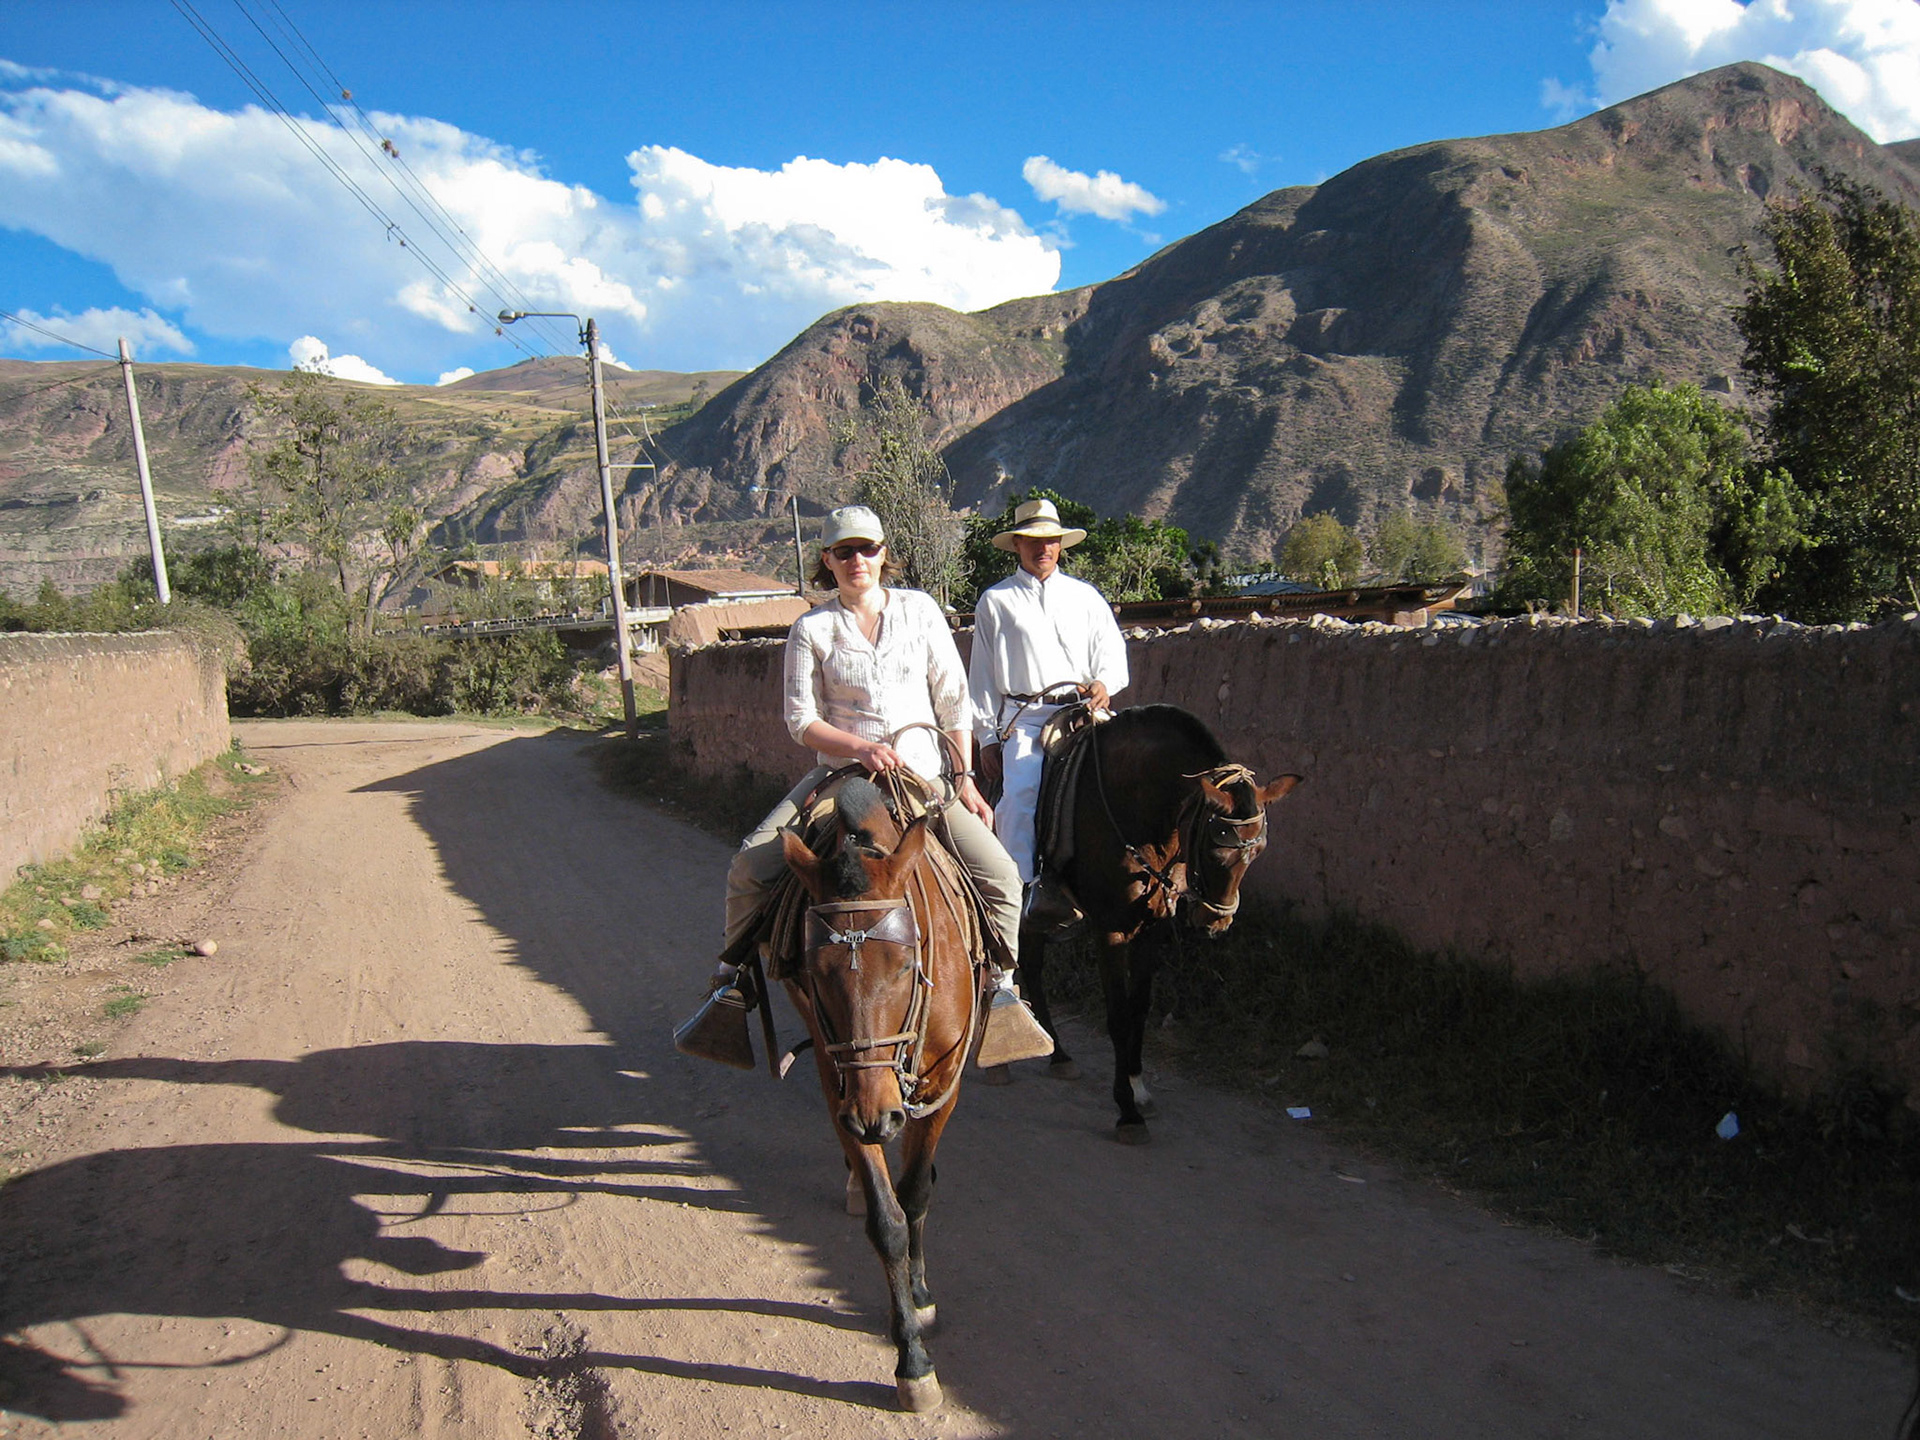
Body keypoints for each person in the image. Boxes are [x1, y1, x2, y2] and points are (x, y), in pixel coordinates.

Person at [675, 505, 1053, 1070]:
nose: (857, 560)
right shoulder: (813, 628)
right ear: (826, 560)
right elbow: (801, 719)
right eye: (844, 551)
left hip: (923, 776)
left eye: (867, 549)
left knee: (998, 872)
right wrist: (860, 748)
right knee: (750, 866)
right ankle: (730, 984)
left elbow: (954, 702)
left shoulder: (921, 612)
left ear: (883, 554)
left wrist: (965, 780)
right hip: (840, 776)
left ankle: (1001, 990)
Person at [968, 497, 1130, 912]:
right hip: (1025, 717)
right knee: (1019, 795)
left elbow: (1111, 655)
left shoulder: (1086, 597)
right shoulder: (996, 601)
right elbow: (983, 676)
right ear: (1017, 545)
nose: (1043, 548)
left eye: (1051, 541)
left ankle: (1133, 880)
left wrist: (1104, 683)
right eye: (1033, 541)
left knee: (1125, 776)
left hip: (1082, 710)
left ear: (1061, 545)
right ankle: (1018, 895)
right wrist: (987, 736)